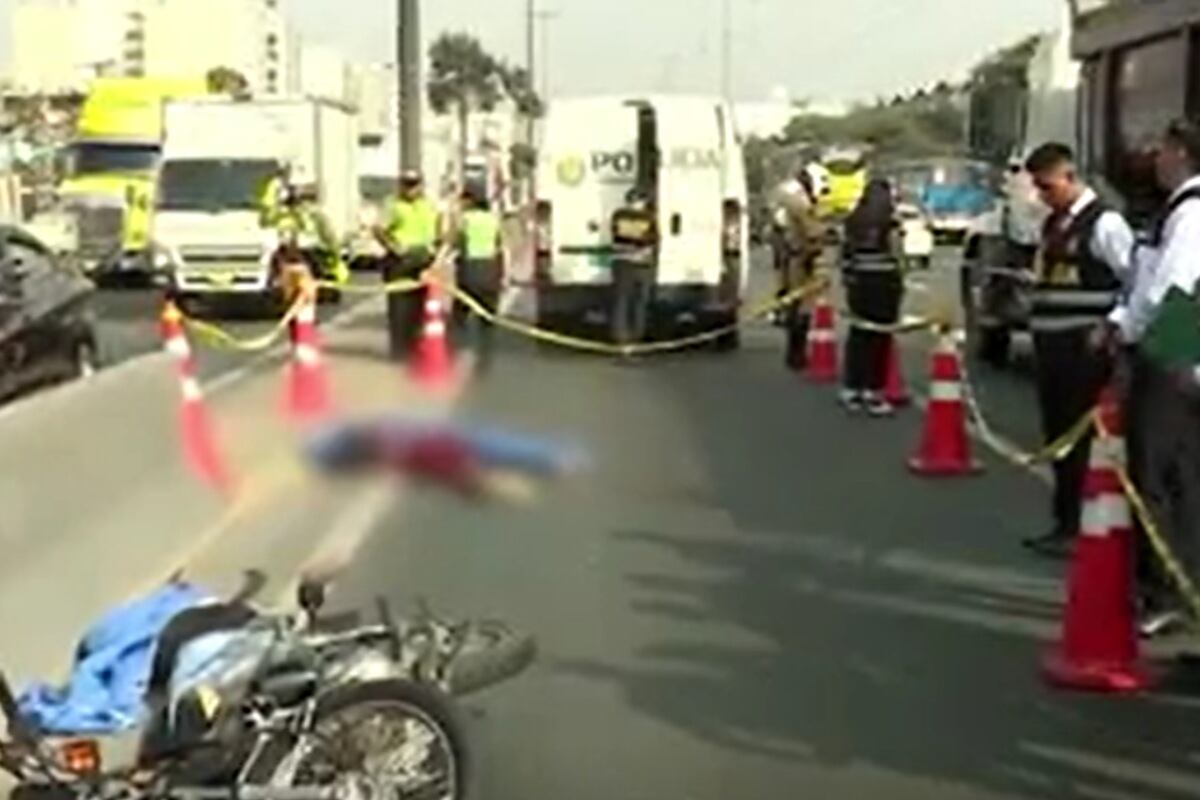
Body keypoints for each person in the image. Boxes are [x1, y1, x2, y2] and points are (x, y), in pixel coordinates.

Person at [1107, 119, 1200, 635]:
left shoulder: (1190, 214)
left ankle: (1164, 589)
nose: (1155, 158)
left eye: (1162, 149)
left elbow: (1170, 289)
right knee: (1181, 473)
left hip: (1174, 345)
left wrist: (1130, 331)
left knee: (1158, 472)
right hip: (1183, 344)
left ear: (1182, 153)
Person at [1020, 142, 1134, 559]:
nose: (1042, 195)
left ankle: (1081, 525)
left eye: (1047, 186)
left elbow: (1134, 281)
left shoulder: (1105, 224)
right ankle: (1065, 522)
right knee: (1059, 436)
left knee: (1080, 440)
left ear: (1069, 177)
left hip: (1084, 351)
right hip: (1052, 349)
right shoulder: (1053, 223)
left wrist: (1113, 326)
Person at [839, 178, 903, 416]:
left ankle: (852, 387)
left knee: (859, 334)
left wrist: (848, 277)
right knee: (881, 337)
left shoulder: (853, 221)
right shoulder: (890, 223)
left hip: (860, 281)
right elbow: (898, 254)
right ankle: (873, 391)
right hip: (885, 281)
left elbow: (844, 255)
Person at [377, 170, 440, 360]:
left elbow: (439, 227)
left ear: (421, 185)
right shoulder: (393, 205)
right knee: (399, 308)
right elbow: (379, 229)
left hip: (424, 259)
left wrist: (436, 250)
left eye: (414, 184)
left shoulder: (428, 204)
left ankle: (416, 346)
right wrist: (394, 247)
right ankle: (400, 350)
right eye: (407, 184)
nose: (410, 189)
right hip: (401, 261)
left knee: (421, 306)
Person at [778, 170, 826, 368]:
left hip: (790, 257)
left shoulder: (789, 198)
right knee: (802, 308)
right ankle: (797, 354)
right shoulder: (800, 203)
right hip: (801, 259)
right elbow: (812, 231)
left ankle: (794, 352)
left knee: (793, 305)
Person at [453, 188, 504, 372]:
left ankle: (458, 352)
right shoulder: (494, 220)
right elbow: (500, 247)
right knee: (487, 318)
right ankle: (485, 359)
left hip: (469, 270)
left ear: (470, 201)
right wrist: (503, 275)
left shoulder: (465, 219)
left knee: (460, 313)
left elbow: (456, 241)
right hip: (490, 270)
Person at [609, 188, 658, 352]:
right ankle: (636, 338)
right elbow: (652, 240)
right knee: (639, 302)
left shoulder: (618, 215)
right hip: (641, 265)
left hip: (622, 263)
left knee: (622, 301)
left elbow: (617, 235)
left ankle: (621, 338)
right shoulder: (649, 217)